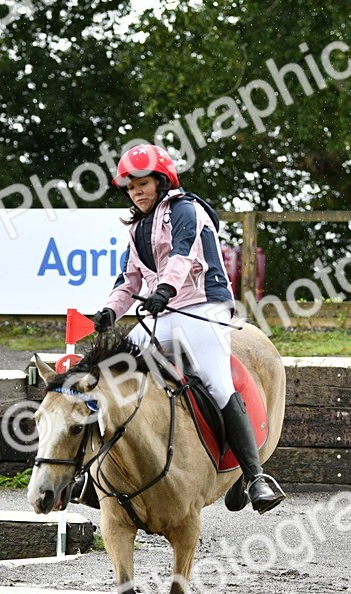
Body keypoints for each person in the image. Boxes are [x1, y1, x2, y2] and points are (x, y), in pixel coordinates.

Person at [91, 144, 285, 514]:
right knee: (112, 372)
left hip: (203, 308)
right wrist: (109, 312)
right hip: (162, 312)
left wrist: (163, 290)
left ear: (161, 181)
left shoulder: (186, 210)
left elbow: (183, 257)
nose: (137, 193)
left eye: (143, 184)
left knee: (215, 380)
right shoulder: (137, 226)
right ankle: (97, 470)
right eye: (131, 189)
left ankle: (255, 475)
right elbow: (129, 279)